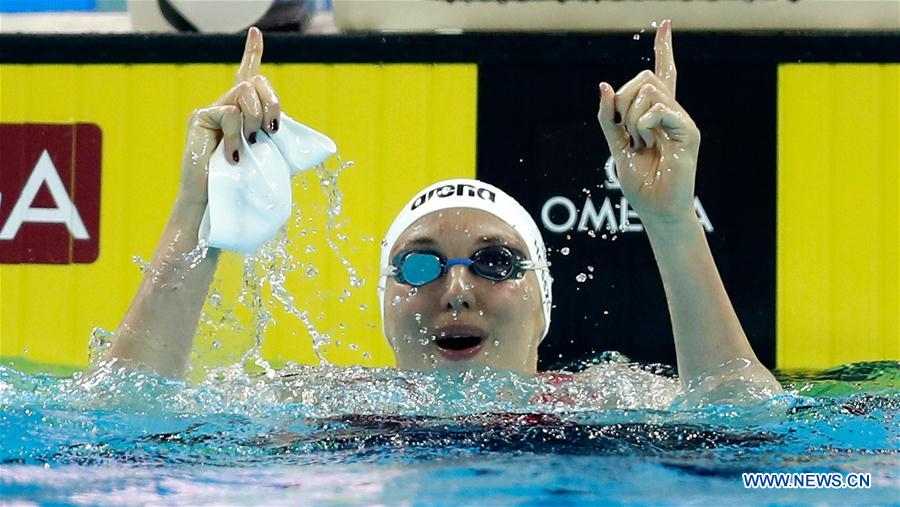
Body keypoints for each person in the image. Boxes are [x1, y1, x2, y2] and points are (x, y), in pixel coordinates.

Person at [105, 20, 782, 405]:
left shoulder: (607, 398)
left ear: (545, 306)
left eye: (495, 260)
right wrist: (200, 209)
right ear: (385, 305)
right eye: (419, 263)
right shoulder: (319, 402)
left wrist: (668, 220)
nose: (456, 291)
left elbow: (746, 421)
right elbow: (116, 418)